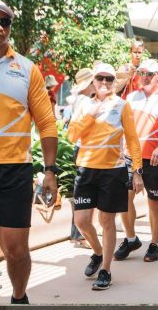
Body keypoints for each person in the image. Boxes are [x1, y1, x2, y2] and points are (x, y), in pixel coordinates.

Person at [0, 0, 58, 304]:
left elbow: (47, 122)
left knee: (16, 250)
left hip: (13, 170)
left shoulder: (26, 68)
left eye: (4, 21)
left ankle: (19, 297)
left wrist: (50, 171)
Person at [67, 63, 143, 290]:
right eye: (100, 78)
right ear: (93, 80)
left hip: (113, 170)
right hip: (86, 169)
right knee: (81, 222)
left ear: (113, 81)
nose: (104, 83)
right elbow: (72, 135)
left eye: (109, 79)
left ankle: (106, 270)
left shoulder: (122, 105)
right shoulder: (83, 105)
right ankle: (97, 252)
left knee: (106, 221)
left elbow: (132, 139)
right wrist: (91, 114)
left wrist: (137, 170)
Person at [114, 59, 158, 262]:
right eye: (142, 73)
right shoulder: (132, 97)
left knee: (154, 203)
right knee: (124, 200)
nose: (145, 77)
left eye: (150, 74)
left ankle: (154, 244)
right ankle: (131, 238)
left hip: (153, 158)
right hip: (131, 156)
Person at [67, 68, 96, 248]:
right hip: (86, 150)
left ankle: (78, 234)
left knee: (84, 194)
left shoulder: (81, 99)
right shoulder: (86, 101)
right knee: (86, 194)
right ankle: (81, 235)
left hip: (82, 149)